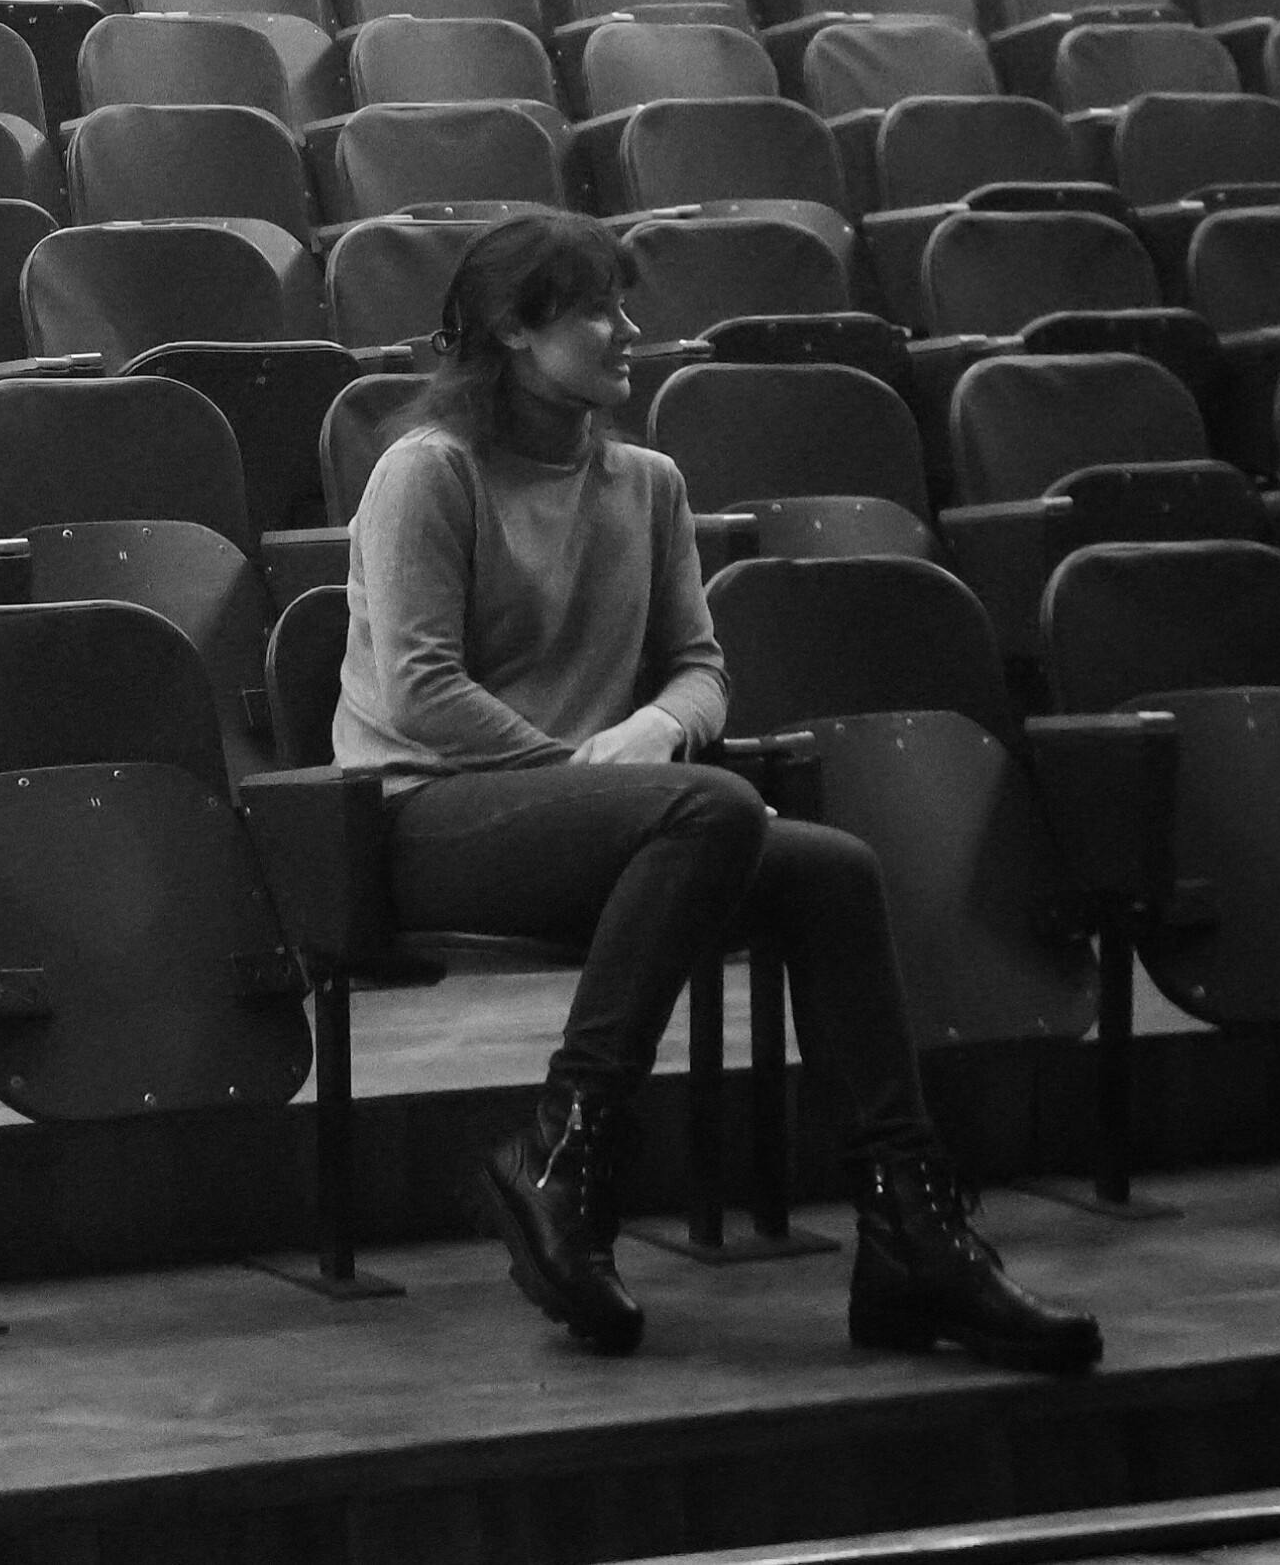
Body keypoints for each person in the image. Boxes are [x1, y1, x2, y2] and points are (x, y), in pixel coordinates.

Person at [340, 212, 1097, 1370]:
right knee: (717, 808)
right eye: (592, 308)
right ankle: (563, 1147)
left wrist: (652, 730)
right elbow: (420, 686)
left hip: (616, 816)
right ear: (511, 330)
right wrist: (582, 774)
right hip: (430, 815)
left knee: (831, 867)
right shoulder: (428, 470)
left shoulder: (646, 482)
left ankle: (911, 1233)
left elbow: (699, 669)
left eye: (622, 303)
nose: (625, 329)